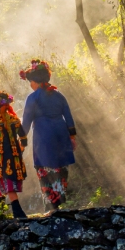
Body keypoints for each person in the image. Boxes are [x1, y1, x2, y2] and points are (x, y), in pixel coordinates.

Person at [20, 59, 77, 212]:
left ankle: (51, 208)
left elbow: (25, 123)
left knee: (44, 169)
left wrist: (20, 141)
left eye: (30, 82)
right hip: (61, 134)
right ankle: (60, 204)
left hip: (43, 136)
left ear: (36, 81)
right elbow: (69, 118)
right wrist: (72, 137)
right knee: (60, 168)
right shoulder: (59, 96)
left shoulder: (33, 98)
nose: (30, 85)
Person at [0, 91, 29, 219]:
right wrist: (19, 151)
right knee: (5, 182)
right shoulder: (15, 120)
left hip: (1, 157)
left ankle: (18, 212)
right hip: (15, 157)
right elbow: (24, 139)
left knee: (7, 182)